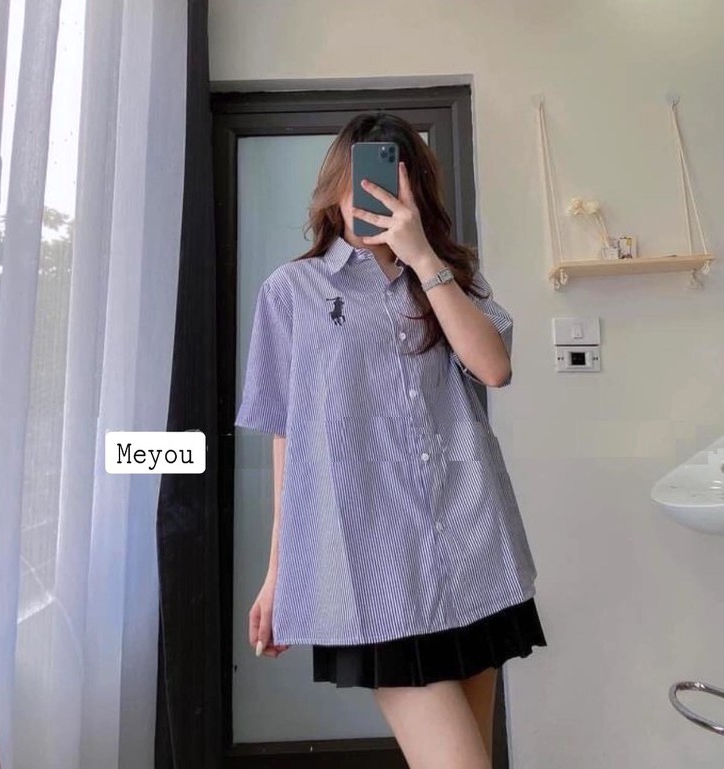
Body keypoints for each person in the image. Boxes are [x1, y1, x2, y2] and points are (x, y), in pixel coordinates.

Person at [235, 112, 547, 768]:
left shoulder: (449, 278)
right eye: (360, 180)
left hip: (471, 552)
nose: (370, 195)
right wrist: (277, 572)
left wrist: (423, 258)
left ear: (413, 192)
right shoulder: (291, 292)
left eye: (389, 181)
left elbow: (494, 368)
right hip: (377, 575)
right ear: (335, 186)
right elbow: (288, 434)